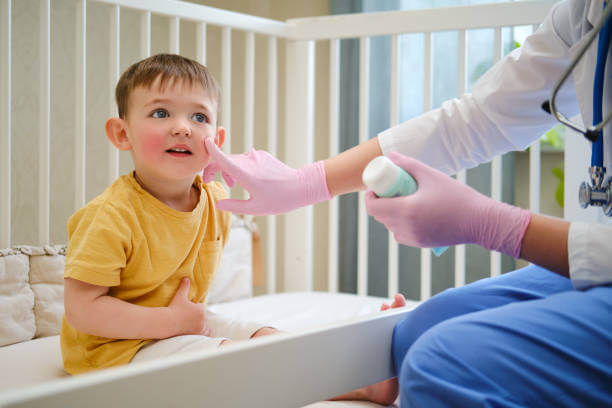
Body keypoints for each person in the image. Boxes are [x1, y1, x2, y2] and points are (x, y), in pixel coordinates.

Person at [202, 0, 612, 406]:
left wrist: (497, 225)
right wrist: (304, 183)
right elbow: (476, 120)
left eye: (199, 117)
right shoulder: (586, 11)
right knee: (413, 332)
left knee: (442, 365)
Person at [60, 54, 279, 375]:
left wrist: (178, 322)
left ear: (216, 141)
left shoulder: (216, 202)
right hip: (113, 349)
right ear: (122, 133)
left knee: (268, 339)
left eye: (199, 117)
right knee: (229, 359)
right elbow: (81, 310)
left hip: (178, 323)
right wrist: (170, 322)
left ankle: (357, 383)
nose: (182, 127)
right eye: (161, 113)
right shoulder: (110, 215)